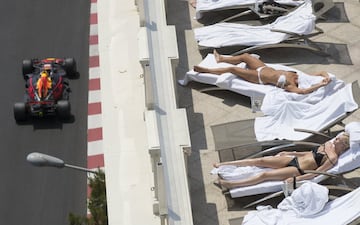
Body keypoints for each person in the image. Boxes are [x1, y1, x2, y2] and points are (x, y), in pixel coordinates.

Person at [214, 132, 350, 189]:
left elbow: (317, 173)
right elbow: (308, 153)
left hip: (298, 170)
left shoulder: (332, 158)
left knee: (264, 175)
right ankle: (224, 164)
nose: (335, 139)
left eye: (338, 140)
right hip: (294, 158)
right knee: (260, 161)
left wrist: (299, 179)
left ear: (343, 145)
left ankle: (232, 184)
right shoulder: (328, 144)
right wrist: (291, 152)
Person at [194, 50, 332, 94]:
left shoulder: (291, 85)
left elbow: (303, 92)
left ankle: (206, 70)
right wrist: (326, 78)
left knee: (233, 69)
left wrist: (319, 86)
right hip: (262, 67)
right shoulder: (298, 75)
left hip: (258, 77)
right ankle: (221, 58)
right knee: (246, 56)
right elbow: (321, 72)